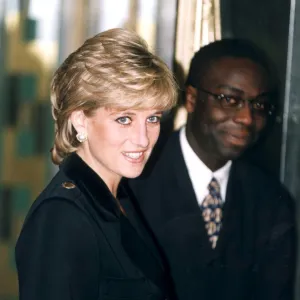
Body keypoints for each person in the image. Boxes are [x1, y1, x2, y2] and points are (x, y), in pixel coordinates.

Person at [15, 28, 178, 300]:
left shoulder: (119, 195)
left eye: (152, 118)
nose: (143, 139)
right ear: (80, 120)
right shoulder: (62, 215)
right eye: (124, 119)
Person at [128, 39, 296, 300]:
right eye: (230, 99)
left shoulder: (271, 203)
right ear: (192, 99)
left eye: (259, 105)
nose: (247, 118)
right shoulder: (132, 185)